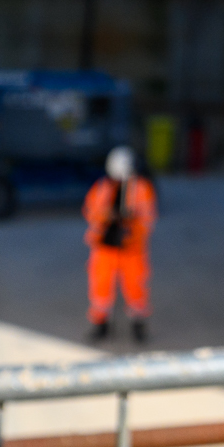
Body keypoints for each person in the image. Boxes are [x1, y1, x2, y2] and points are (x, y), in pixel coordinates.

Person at [85, 145, 157, 342]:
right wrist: (106, 215)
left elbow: (148, 219)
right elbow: (90, 211)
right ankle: (101, 324)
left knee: (135, 289)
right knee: (100, 289)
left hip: (131, 250)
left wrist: (132, 225)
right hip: (104, 249)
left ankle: (138, 326)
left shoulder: (142, 189)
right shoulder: (101, 188)